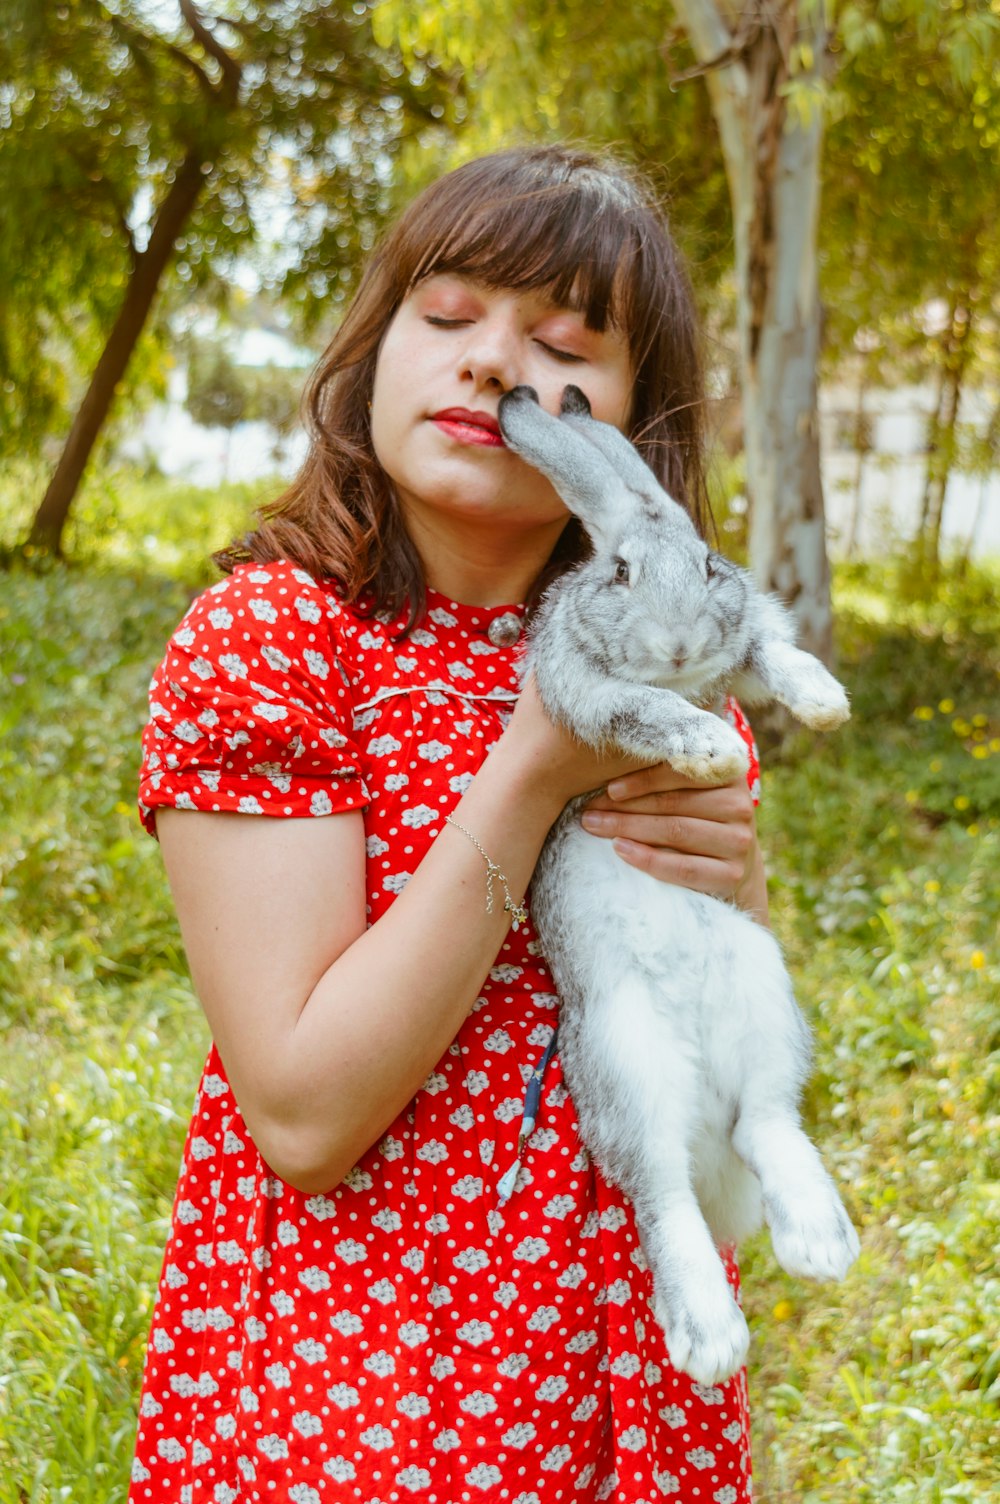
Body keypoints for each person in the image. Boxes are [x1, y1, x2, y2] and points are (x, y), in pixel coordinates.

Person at [130, 145, 766, 1504]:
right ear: (374, 347)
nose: (495, 366)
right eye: (451, 313)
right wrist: (534, 768)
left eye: (565, 342)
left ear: (632, 434)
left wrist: (739, 930)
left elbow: (706, 1123)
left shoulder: (667, 693)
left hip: (628, 1397)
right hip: (361, 1401)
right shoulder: (275, 648)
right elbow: (303, 1117)